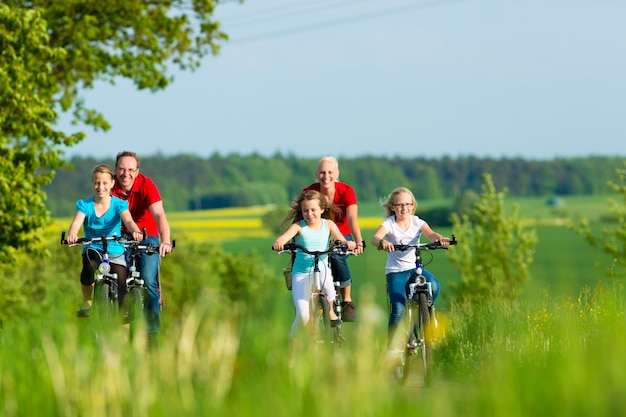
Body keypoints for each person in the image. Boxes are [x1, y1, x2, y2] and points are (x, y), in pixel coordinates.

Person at [370, 187, 451, 354]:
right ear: (392, 207)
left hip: (415, 269)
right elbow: (375, 237)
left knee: (433, 285)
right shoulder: (389, 223)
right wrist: (382, 242)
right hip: (396, 272)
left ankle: (427, 314)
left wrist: (440, 239)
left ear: (413, 206)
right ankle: (392, 347)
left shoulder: (417, 222)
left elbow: (431, 234)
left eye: (407, 204)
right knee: (398, 308)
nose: (404, 208)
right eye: (399, 205)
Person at [272, 190, 357, 342]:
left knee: (330, 288)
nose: (309, 214)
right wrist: (279, 243)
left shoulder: (328, 224)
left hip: (322, 268)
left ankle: (330, 310)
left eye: (313, 210)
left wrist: (348, 243)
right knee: (303, 317)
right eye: (305, 210)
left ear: (322, 209)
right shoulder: (299, 226)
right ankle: (293, 344)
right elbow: (284, 237)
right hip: (301, 274)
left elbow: (341, 239)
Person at [111, 151, 173, 349]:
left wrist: (165, 240)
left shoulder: (146, 185)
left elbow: (159, 215)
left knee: (148, 279)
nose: (125, 174)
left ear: (137, 172)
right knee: (114, 277)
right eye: (121, 169)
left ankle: (152, 333)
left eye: (130, 170)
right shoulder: (109, 185)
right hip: (118, 237)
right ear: (115, 170)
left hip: (148, 237)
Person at [66, 164, 144, 318]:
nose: (100, 186)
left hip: (114, 247)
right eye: (96, 182)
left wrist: (136, 231)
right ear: (92, 183)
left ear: (112, 184)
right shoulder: (85, 205)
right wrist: (72, 234)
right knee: (89, 265)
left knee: (121, 279)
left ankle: (123, 312)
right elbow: (76, 223)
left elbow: (128, 221)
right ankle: (87, 300)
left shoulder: (119, 204)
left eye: (104, 183)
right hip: (93, 246)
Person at [302, 156, 364, 322]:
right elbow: (299, 218)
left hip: (342, 235)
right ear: (317, 174)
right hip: (317, 234)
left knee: (336, 256)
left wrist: (359, 242)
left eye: (330, 172)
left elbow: (352, 220)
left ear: (337, 173)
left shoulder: (347, 191)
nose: (326, 176)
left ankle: (347, 300)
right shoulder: (309, 192)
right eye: (322, 172)